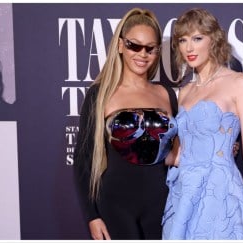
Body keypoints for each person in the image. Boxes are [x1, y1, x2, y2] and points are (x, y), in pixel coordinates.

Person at [162, 8, 243, 240]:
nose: (189, 48)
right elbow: (178, 153)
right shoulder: (184, 92)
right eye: (183, 40)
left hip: (219, 192)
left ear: (214, 39)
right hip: (184, 194)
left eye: (197, 38)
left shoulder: (239, 83)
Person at [73, 8, 178, 240]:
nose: (143, 54)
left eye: (150, 48)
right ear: (120, 45)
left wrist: (221, 146)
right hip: (114, 207)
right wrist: (92, 215)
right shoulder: (100, 94)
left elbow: (178, 152)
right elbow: (83, 161)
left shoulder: (166, 93)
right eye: (134, 45)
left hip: (162, 204)